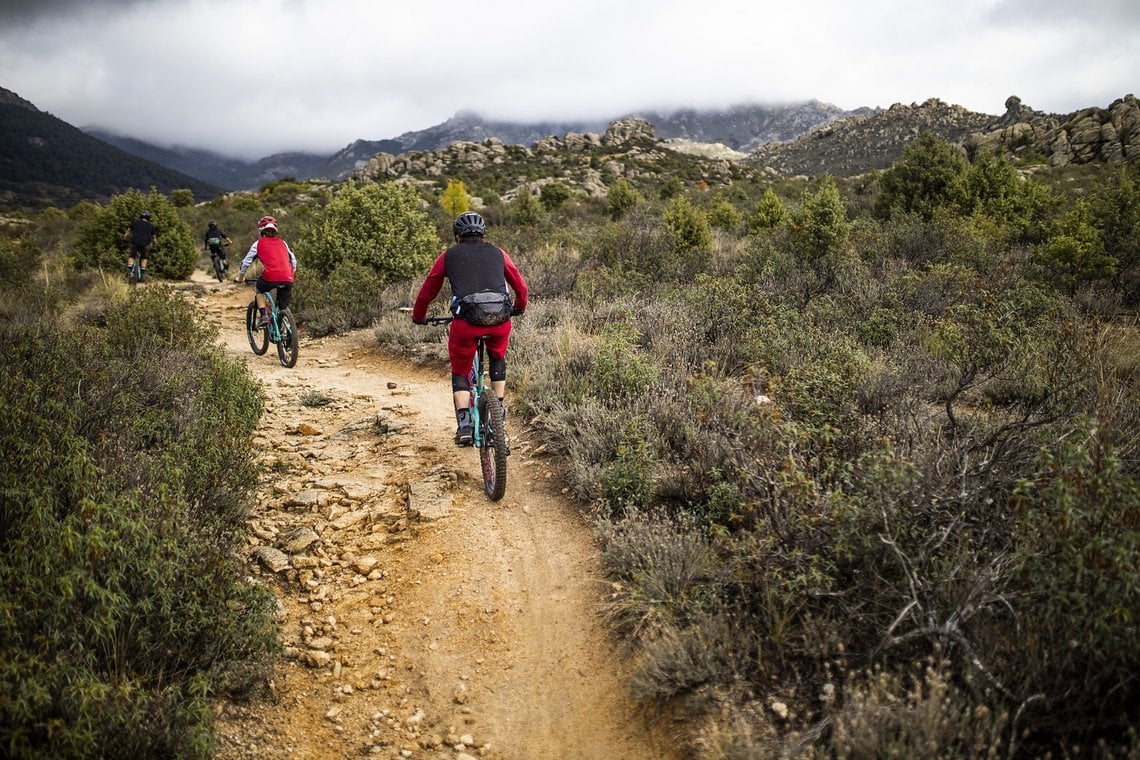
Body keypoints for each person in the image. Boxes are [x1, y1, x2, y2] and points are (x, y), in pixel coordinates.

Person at [411, 212, 528, 446]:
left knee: (461, 370)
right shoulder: (498, 252)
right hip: (499, 322)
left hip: (466, 324)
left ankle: (464, 425)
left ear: (457, 236)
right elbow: (520, 285)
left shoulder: (448, 256)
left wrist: (419, 317)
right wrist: (519, 307)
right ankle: (499, 412)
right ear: (483, 234)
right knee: (498, 356)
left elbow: (428, 291)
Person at [234, 215, 297, 327]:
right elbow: (293, 261)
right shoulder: (283, 243)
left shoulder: (258, 243)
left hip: (271, 277)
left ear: (261, 230)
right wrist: (291, 274)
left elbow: (246, 262)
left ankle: (264, 316)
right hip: (288, 277)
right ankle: (285, 326)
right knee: (283, 307)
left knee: (260, 290)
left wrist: (240, 277)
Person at [125, 210, 157, 280]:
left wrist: (125, 239)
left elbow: (127, 233)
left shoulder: (135, 223)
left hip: (135, 242)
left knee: (132, 256)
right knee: (144, 257)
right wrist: (154, 246)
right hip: (145, 244)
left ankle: (129, 268)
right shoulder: (151, 226)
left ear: (140, 216)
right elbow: (154, 239)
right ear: (149, 218)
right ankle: (142, 273)